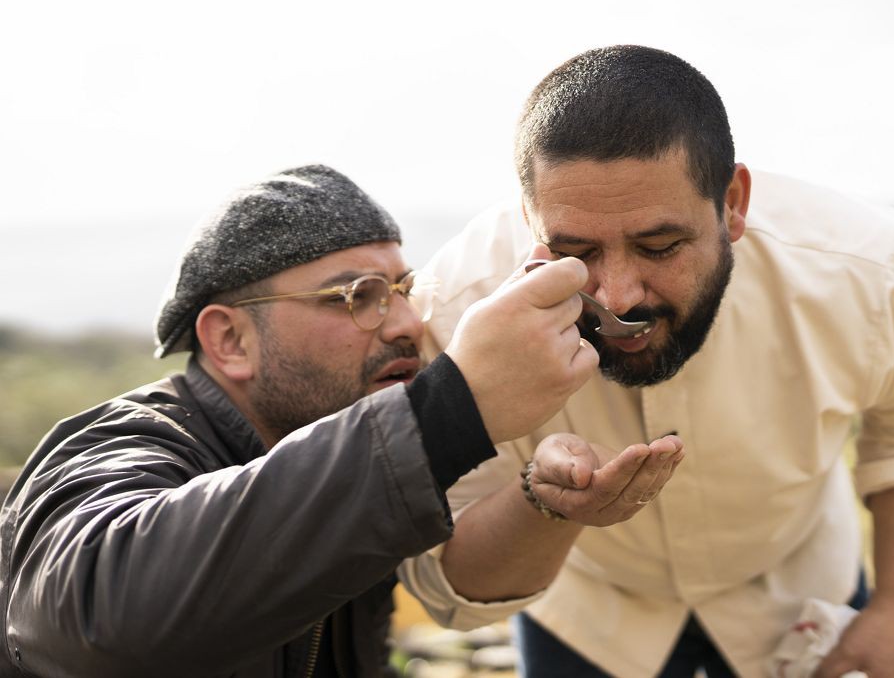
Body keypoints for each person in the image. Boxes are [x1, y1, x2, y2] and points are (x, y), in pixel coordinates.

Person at [399, 46, 894, 677]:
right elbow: (447, 589)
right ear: (529, 217)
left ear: (733, 203)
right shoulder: (455, 310)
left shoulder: (873, 272)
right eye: (577, 251)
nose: (619, 295)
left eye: (660, 246)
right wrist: (545, 507)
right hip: (590, 614)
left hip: (797, 592)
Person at [0, 164, 684, 678]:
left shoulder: (342, 476)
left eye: (403, 291)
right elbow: (90, 622)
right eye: (358, 296)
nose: (409, 325)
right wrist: (453, 407)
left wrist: (540, 498)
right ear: (229, 341)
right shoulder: (123, 443)